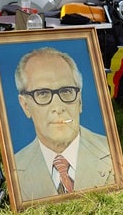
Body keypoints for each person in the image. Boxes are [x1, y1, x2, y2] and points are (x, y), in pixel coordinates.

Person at [13, 47, 113, 201]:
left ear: (79, 100)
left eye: (66, 91)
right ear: (25, 106)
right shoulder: (15, 167)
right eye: (43, 94)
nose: (58, 107)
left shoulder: (111, 152)